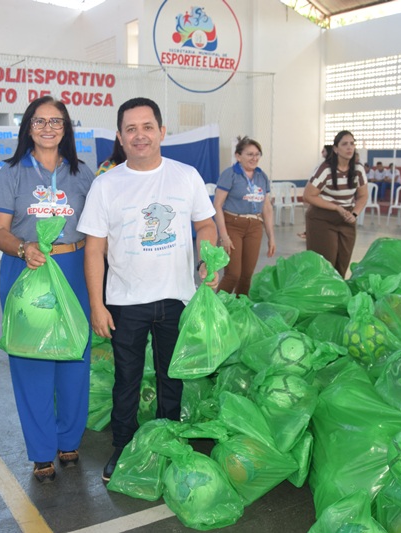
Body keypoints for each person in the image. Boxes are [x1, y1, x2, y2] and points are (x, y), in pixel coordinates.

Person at [77, 97, 218, 482]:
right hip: (125, 301)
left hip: (176, 296)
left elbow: (205, 225)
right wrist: (97, 305)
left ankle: (169, 440)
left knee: (172, 377)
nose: (140, 135)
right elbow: (95, 248)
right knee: (127, 379)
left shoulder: (185, 176)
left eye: (147, 127)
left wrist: (208, 259)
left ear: (161, 131)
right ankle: (123, 447)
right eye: (131, 129)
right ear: (121, 137)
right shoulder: (106, 185)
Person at [0, 96, 96, 483]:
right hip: (27, 268)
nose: (48, 128)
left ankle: (69, 439)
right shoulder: (12, 173)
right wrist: (23, 247)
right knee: (32, 360)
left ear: (67, 128)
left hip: (74, 268)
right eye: (40, 121)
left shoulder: (83, 174)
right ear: (27, 127)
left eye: (57, 121)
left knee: (74, 357)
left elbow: (99, 229)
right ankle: (40, 450)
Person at [213, 136, 276, 296]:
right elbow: (217, 205)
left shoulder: (261, 176)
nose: (254, 158)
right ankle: (217, 307)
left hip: (254, 226)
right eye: (249, 154)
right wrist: (224, 235)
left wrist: (271, 236)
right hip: (233, 224)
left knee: (246, 275)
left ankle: (241, 308)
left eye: (257, 154)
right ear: (238, 156)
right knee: (233, 274)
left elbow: (266, 207)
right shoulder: (230, 174)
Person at [302, 130, 368, 277]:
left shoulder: (358, 169)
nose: (349, 147)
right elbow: (308, 195)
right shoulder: (325, 170)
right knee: (326, 263)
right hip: (322, 218)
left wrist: (355, 213)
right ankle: (321, 295)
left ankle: (337, 295)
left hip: (346, 217)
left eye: (352, 144)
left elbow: (363, 195)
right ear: (336, 149)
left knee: (342, 263)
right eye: (344, 144)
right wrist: (336, 207)